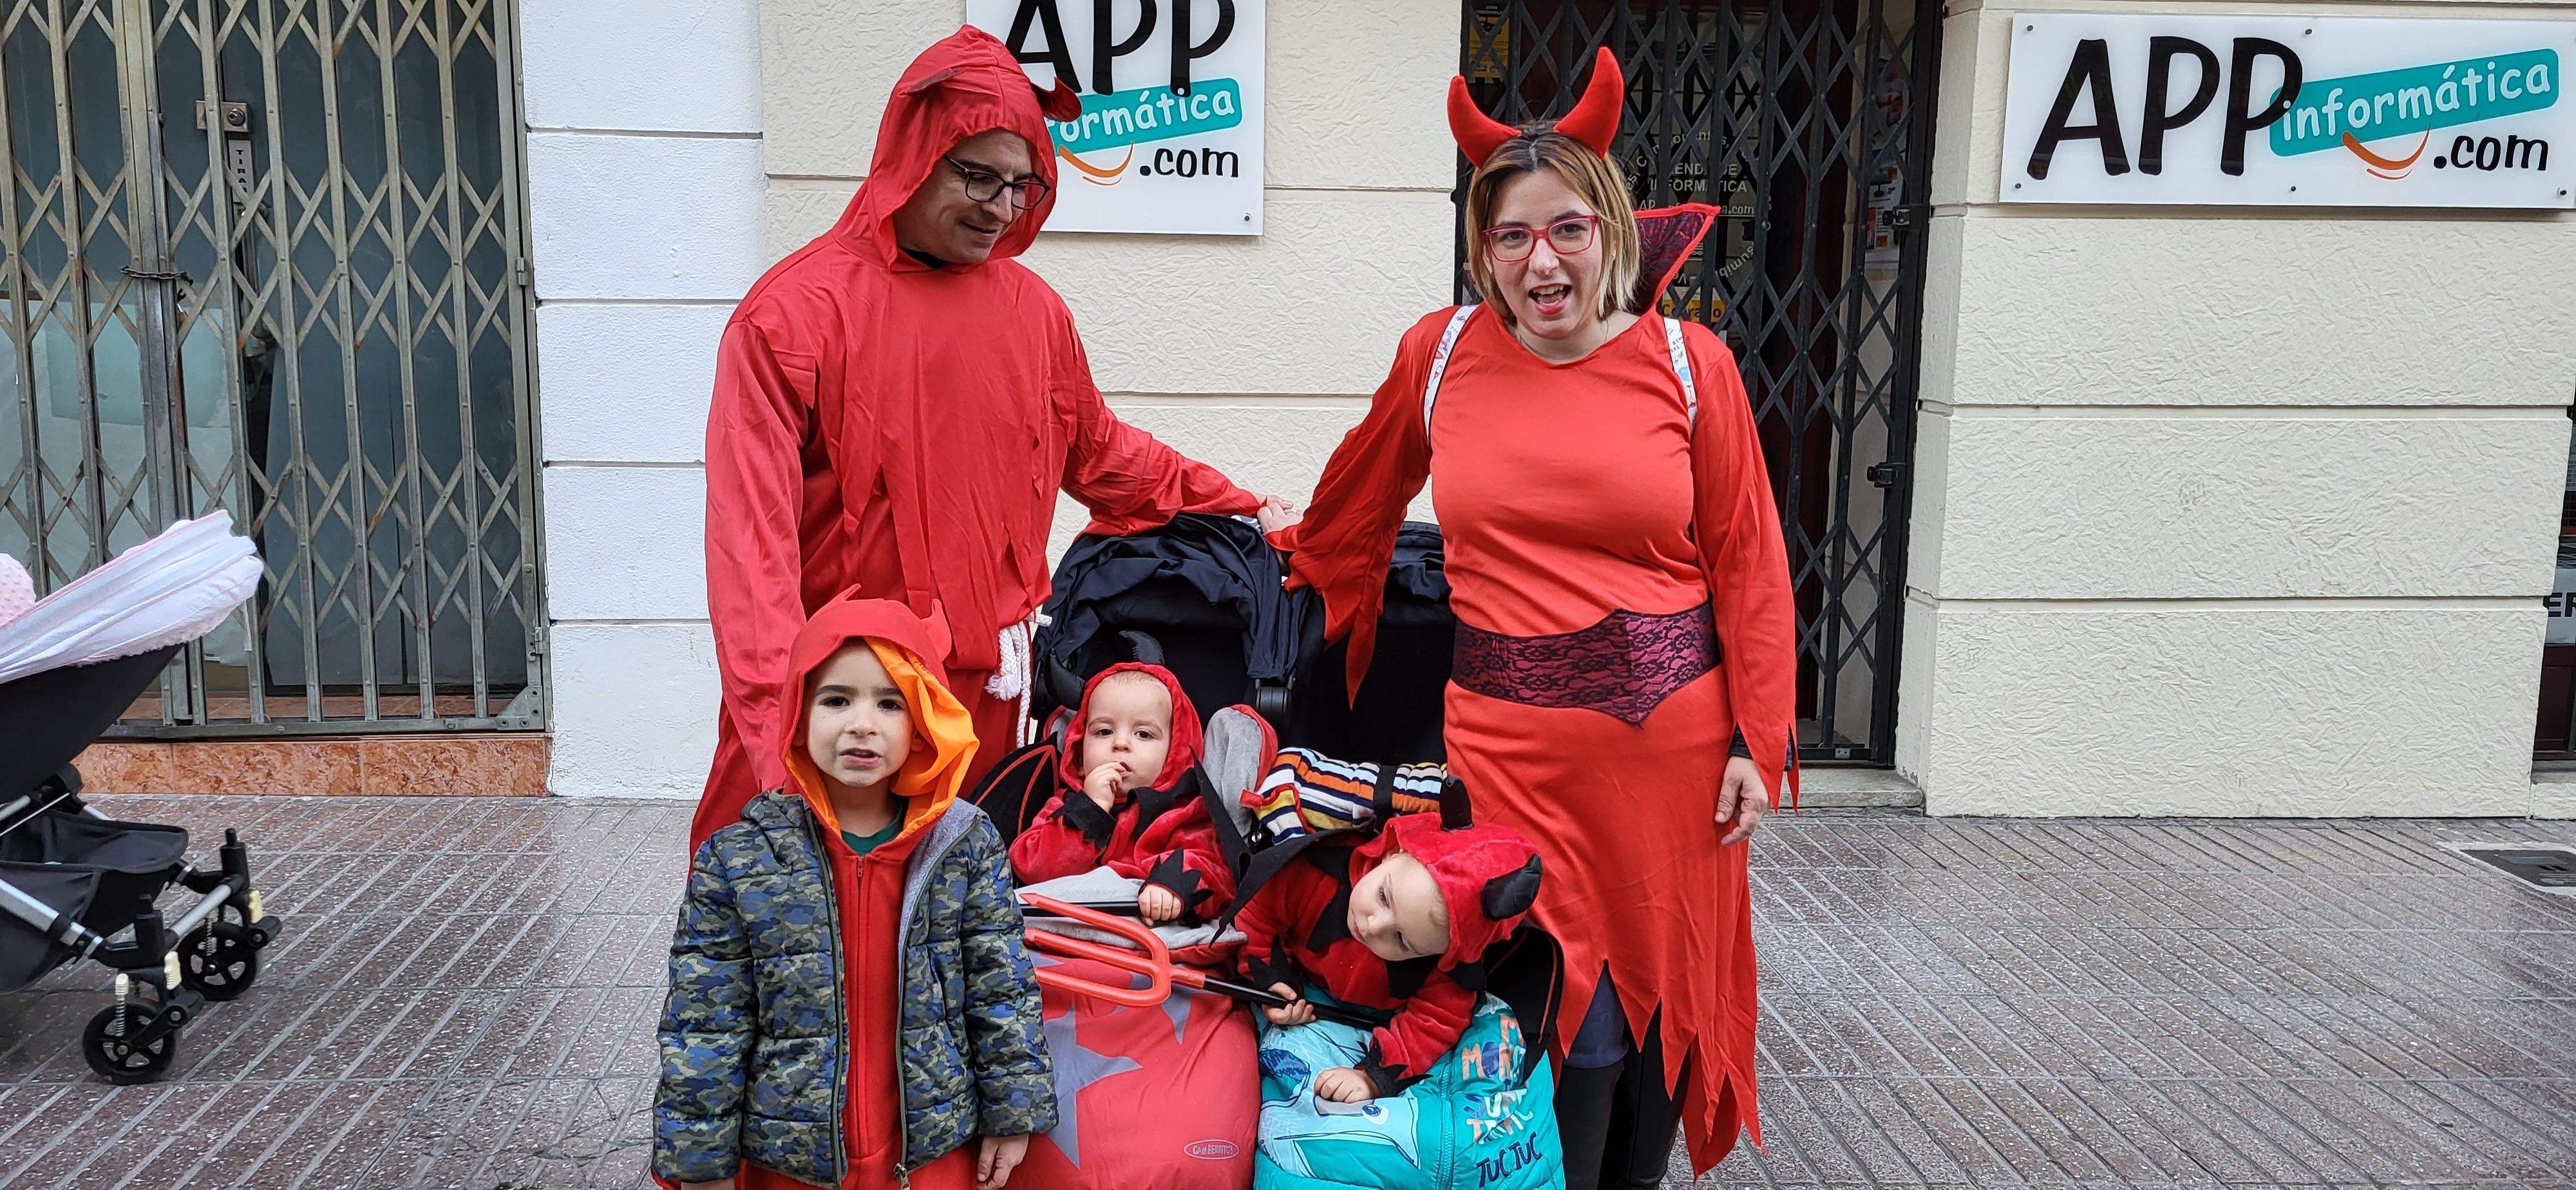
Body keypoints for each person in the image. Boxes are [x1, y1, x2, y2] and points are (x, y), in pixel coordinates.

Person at [1276, 48, 1801, 1187]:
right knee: (1543, 1004)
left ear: (1610, 228)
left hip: (1670, 760)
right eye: (1511, 237)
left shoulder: (1688, 361)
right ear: (1483, 253)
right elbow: (1355, 502)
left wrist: (1760, 738)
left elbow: (1752, 561)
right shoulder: (1443, 353)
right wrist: (1263, 558)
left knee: (1655, 1004)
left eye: (1566, 228)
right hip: (1505, 754)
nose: (1541, 259)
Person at [696, 25, 1293, 845]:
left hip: (989, 707)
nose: (1002, 207)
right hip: (849, 709)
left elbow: (1099, 452)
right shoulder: (792, 317)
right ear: (911, 156)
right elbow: (750, 562)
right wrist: (782, 742)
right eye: (978, 176)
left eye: (1022, 185)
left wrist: (1238, 504)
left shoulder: (1033, 311)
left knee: (962, 940)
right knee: (805, 947)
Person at [655, 593, 1054, 1190]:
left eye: (890, 703)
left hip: (929, 1156)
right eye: (837, 699)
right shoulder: (738, 861)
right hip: (787, 1162)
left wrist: (1013, 1111)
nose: (862, 723)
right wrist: (700, 1163)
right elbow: (706, 1024)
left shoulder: (964, 846)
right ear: (798, 714)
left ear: (923, 720)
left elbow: (1002, 990)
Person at [1231, 811, 1543, 1102]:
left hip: (1366, 1022)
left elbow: (1433, 1024)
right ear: (1391, 853)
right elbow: (1260, 908)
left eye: (1401, 940)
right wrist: (1269, 981)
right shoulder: (1315, 872)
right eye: (1384, 897)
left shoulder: (1447, 973)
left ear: (1442, 955)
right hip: (1297, 978)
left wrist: (1373, 1078)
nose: (1372, 926)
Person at [1007, 663, 1236, 923]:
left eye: (1143, 734)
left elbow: (1215, 868)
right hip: (1065, 934)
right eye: (1104, 732)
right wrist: (1088, 812)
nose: (1120, 743)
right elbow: (1030, 867)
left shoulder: (1184, 812)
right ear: (1080, 752)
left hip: (1147, 940)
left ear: (1175, 752)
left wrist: (1172, 886)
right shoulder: (1065, 805)